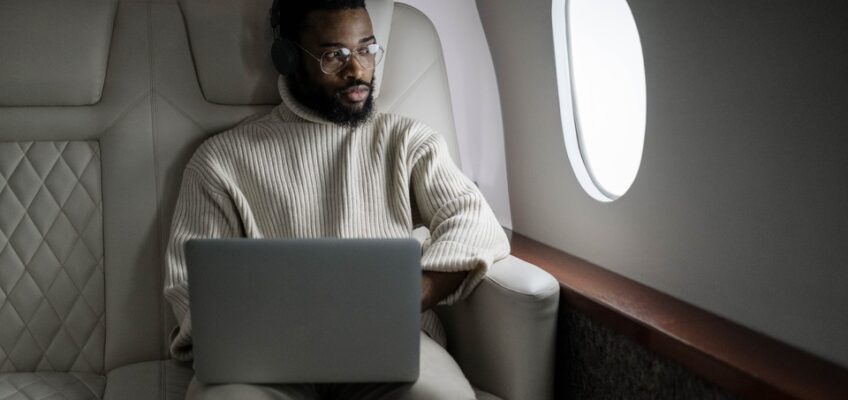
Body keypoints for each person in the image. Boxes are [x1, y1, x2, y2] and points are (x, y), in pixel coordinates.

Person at [164, 1, 509, 398]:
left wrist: (416, 289)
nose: (357, 70)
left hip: (387, 344)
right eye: (334, 55)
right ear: (288, 58)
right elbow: (188, 286)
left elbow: (475, 221)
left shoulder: (409, 142)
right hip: (265, 360)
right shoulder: (220, 161)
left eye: (366, 49)